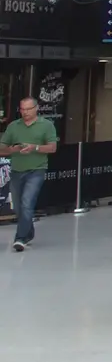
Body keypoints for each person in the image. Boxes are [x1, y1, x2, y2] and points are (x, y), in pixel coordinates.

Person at [1, 95, 57, 251]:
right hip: (16, 170)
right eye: (22, 109)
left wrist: (35, 148)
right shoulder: (14, 126)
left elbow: (52, 147)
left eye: (28, 109)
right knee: (18, 206)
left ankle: (20, 238)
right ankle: (29, 231)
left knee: (27, 202)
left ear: (36, 108)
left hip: (36, 169)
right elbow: (2, 148)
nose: (25, 112)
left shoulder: (46, 125)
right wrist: (13, 150)